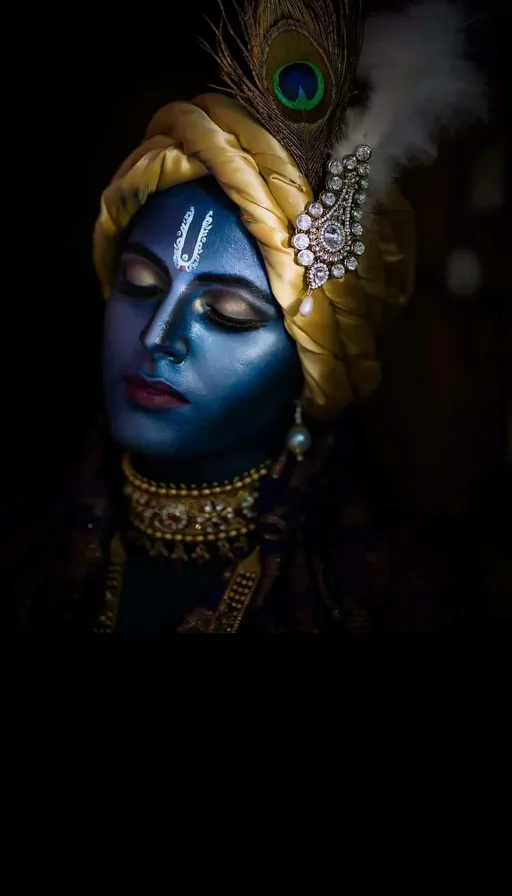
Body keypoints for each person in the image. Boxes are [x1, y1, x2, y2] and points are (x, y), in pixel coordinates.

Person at [9, 0, 486, 633]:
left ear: (312, 366)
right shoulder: (25, 551)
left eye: (229, 312)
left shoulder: (388, 598)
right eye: (140, 283)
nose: (158, 338)